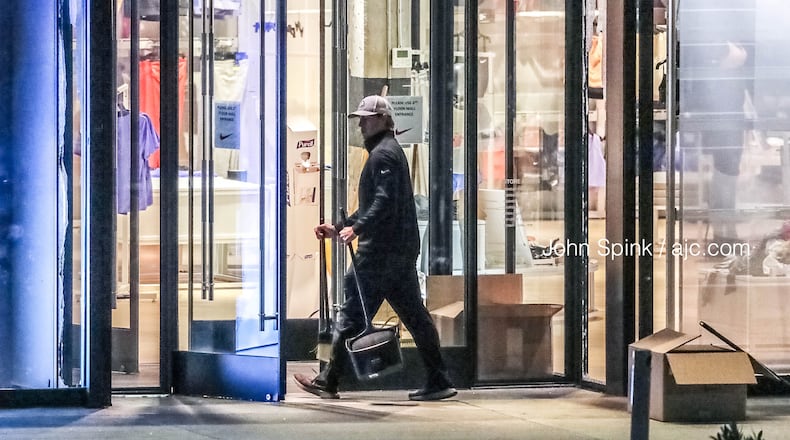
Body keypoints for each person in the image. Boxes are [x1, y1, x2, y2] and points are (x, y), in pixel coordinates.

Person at [293, 95, 456, 401]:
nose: (362, 124)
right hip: (396, 251)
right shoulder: (388, 152)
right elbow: (376, 205)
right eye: (361, 119)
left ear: (383, 120)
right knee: (415, 317)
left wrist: (357, 228)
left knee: (352, 309)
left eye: (367, 119)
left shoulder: (383, 156)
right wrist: (340, 227)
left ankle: (329, 380)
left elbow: (382, 203)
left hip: (381, 252)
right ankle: (439, 379)